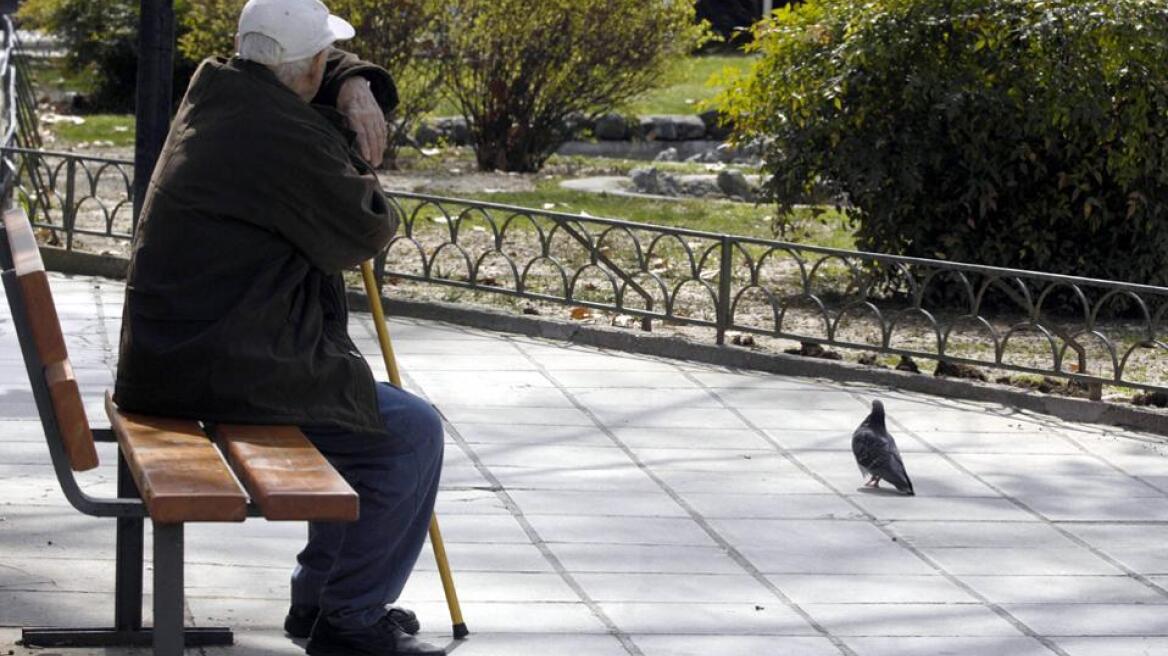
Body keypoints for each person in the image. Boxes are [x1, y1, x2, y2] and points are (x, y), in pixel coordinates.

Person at [112, 1, 445, 655]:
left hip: (186, 351)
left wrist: (352, 82)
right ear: (309, 69)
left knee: (358, 412)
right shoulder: (273, 136)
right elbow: (365, 227)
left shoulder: (226, 89)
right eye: (327, 62)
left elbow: (300, 68)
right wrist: (357, 139)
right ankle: (349, 617)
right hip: (214, 363)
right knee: (407, 434)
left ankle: (323, 600)